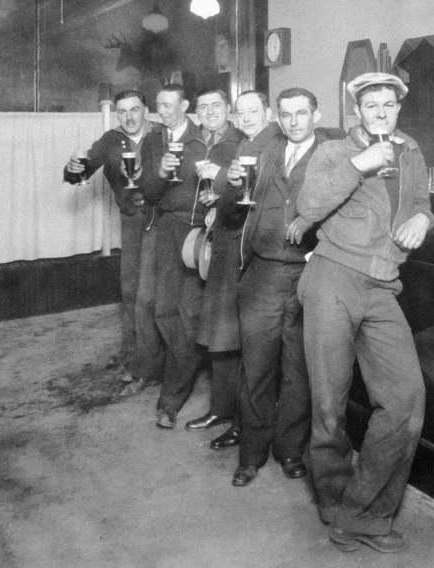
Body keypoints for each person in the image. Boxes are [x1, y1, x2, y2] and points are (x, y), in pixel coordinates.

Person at [297, 72, 432, 554]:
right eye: (371, 105)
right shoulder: (335, 151)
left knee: (406, 400)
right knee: (329, 405)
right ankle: (335, 507)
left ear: (398, 108)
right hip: (332, 277)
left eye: (388, 105)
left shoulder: (412, 149)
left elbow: (421, 202)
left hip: (382, 286)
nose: (380, 113)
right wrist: (359, 164)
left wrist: (423, 217)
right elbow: (308, 205)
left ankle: (364, 513)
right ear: (357, 112)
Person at [222, 87, 327, 486]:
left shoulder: (331, 157)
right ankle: (251, 455)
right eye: (286, 114)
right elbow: (232, 212)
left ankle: (289, 451)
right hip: (262, 275)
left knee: (298, 372)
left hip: (308, 276)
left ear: (316, 115)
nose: (294, 121)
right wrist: (232, 186)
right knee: (257, 368)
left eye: (302, 113)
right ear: (277, 118)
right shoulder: (262, 153)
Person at [141, 89, 245, 429]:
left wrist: (217, 205)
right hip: (172, 230)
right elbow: (151, 193)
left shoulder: (242, 142)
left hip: (210, 235)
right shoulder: (185, 142)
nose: (210, 111)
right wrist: (158, 170)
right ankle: (185, 367)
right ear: (194, 111)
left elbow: (245, 192)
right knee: (164, 310)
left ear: (229, 109)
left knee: (192, 314)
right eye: (204, 106)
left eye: (217, 105)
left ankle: (170, 402)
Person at [193, 90, 283, 451]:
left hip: (256, 254)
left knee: (250, 344)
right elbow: (235, 202)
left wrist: (219, 187)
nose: (245, 117)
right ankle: (226, 411)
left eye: (253, 111)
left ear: (268, 112)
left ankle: (245, 424)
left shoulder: (274, 144)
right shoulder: (246, 144)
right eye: (241, 112)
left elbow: (262, 203)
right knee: (226, 333)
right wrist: (218, 197)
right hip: (233, 244)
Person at [63, 89, 164, 394]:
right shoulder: (110, 141)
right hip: (132, 222)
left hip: (162, 222)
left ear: (146, 110)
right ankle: (135, 359)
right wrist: (72, 169)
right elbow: (81, 172)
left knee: (148, 295)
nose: (129, 117)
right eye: (122, 111)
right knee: (131, 291)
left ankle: (149, 367)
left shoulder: (161, 135)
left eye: (135, 109)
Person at [116, 83, 196, 398]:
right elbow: (147, 190)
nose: (162, 111)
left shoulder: (202, 137)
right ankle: (150, 369)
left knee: (186, 307)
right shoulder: (153, 141)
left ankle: (181, 371)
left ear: (184, 106)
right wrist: (161, 173)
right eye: (159, 106)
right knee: (146, 300)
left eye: (168, 105)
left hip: (196, 228)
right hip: (159, 225)